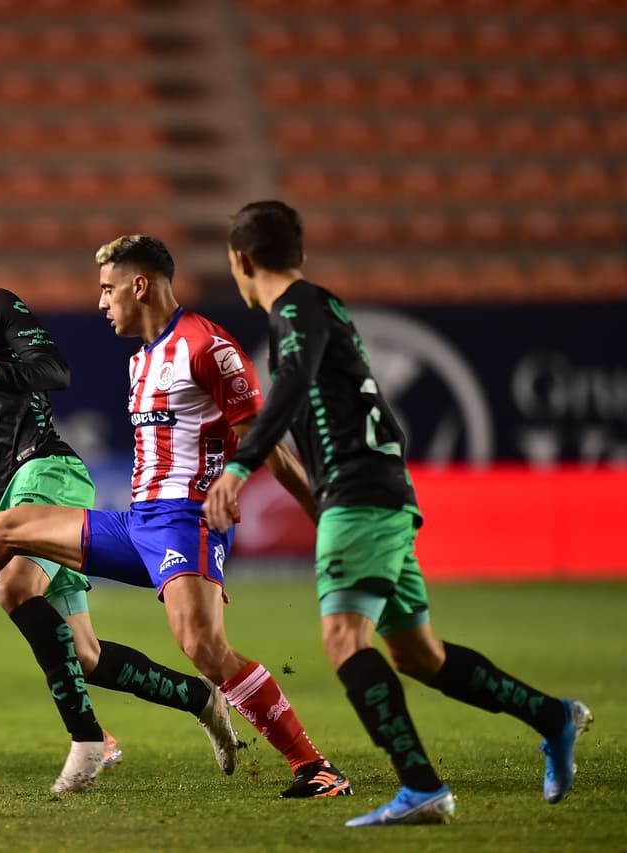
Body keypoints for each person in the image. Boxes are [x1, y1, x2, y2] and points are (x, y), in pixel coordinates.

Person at [0, 234, 353, 800]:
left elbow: (54, 370)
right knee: (83, 652)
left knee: (31, 583)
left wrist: (323, 516)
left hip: (70, 480)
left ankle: (308, 765)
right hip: (138, 522)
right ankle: (199, 700)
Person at [203, 199, 593, 826]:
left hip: (359, 494)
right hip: (380, 489)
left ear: (240, 260)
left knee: (341, 639)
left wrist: (241, 467)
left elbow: (294, 386)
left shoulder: (296, 312)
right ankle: (552, 716)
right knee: (418, 655)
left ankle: (421, 785)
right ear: (297, 254)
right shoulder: (322, 304)